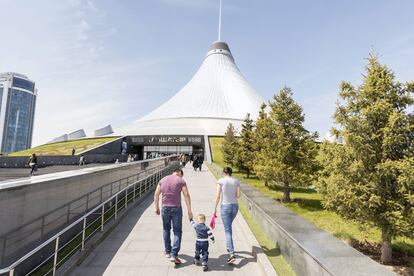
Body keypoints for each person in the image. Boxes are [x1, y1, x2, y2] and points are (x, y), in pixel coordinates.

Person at [154, 168, 193, 264]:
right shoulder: (181, 180)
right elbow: (186, 195)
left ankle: (167, 251)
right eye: (181, 175)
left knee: (166, 229)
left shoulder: (163, 179)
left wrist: (156, 207)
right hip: (176, 209)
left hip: (165, 208)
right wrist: (189, 211)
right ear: (179, 173)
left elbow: (156, 194)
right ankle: (174, 254)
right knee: (177, 231)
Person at [214, 167, 240, 264]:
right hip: (235, 206)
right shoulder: (236, 181)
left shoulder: (221, 181)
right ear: (230, 173)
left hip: (225, 206)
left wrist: (215, 207)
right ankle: (229, 246)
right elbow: (238, 195)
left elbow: (217, 195)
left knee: (227, 230)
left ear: (224, 173)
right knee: (228, 227)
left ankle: (232, 254)